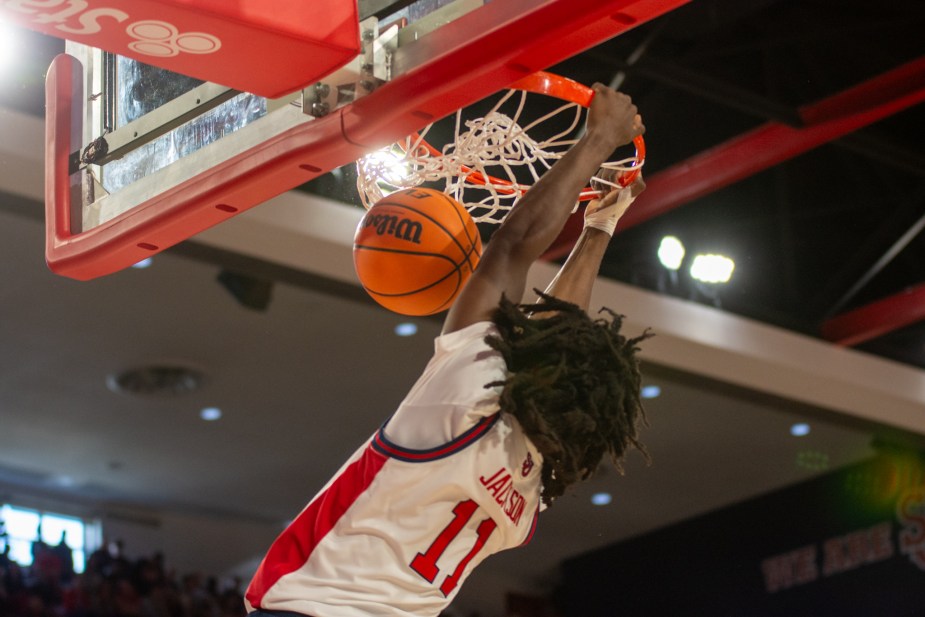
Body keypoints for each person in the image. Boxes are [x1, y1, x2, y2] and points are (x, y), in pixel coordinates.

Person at [245, 84, 650, 617]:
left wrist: (597, 140)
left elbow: (510, 248)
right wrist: (599, 226)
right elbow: (560, 331)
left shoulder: (467, 402)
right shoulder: (530, 492)